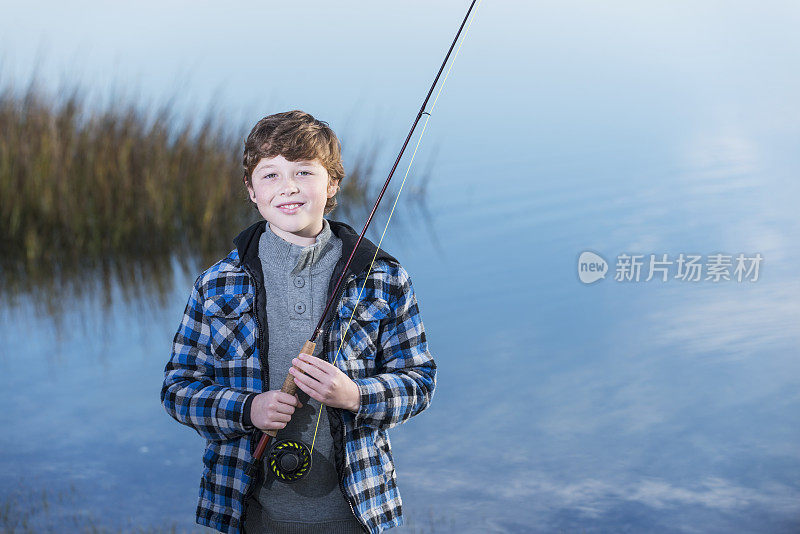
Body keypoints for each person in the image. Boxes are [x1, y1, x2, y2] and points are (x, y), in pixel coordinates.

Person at [161, 110, 437, 534]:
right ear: (251, 190)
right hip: (250, 513)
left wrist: (355, 395)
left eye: (304, 171)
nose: (288, 187)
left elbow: (418, 383)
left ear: (332, 185)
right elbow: (178, 389)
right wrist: (248, 409)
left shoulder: (384, 277)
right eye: (270, 175)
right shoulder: (215, 284)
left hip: (355, 514)